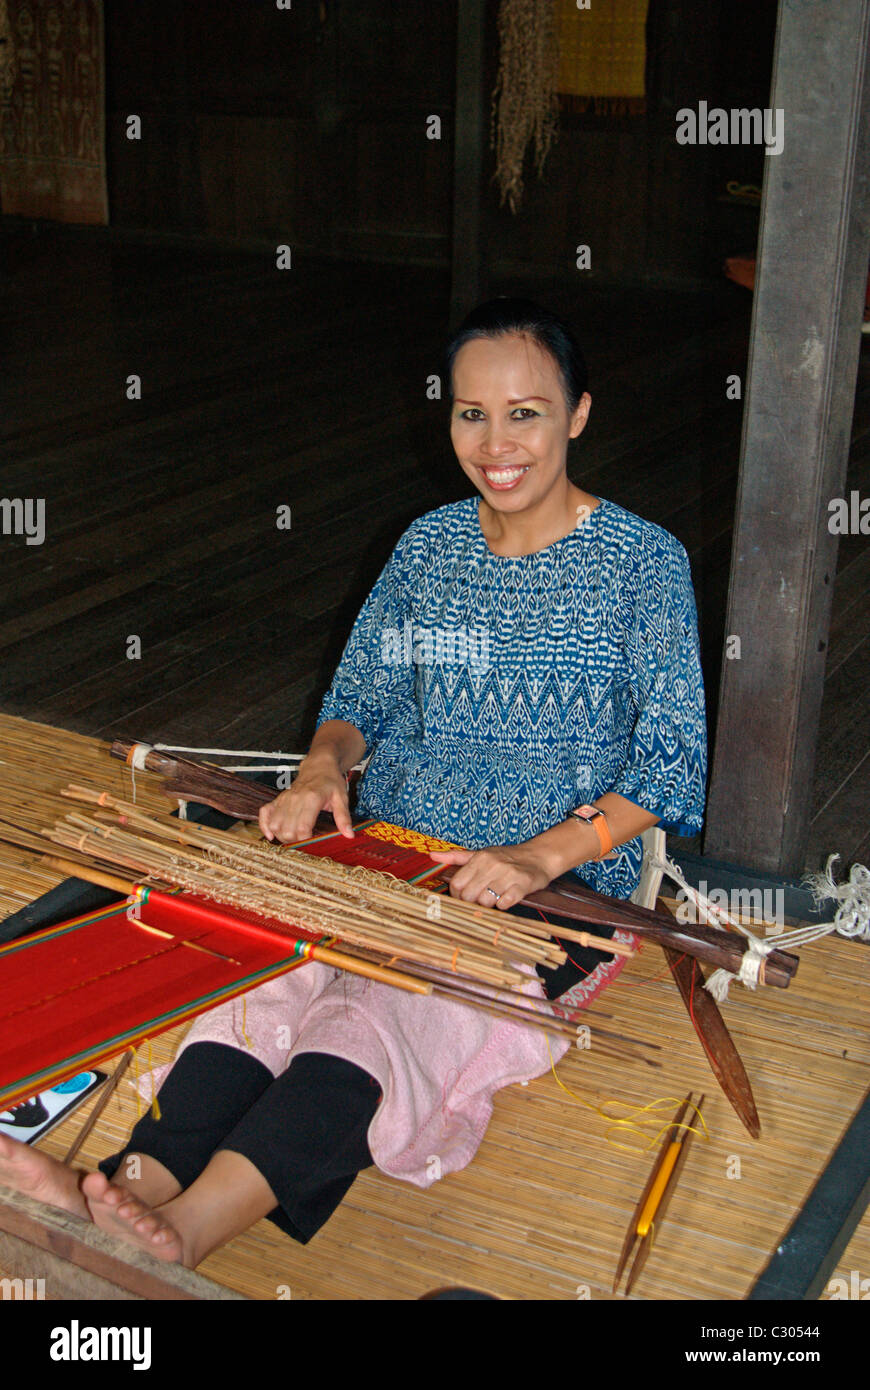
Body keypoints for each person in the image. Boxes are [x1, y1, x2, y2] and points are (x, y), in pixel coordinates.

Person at [0, 299, 706, 1267]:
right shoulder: (428, 544)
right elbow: (357, 699)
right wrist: (323, 767)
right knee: (261, 975)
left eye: (526, 412)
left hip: (546, 884)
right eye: (470, 413)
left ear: (578, 414)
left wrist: (538, 854)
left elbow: (668, 764)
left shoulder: (641, 561)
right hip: (383, 846)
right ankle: (131, 1186)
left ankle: (186, 1234)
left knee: (379, 1015)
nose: (496, 443)